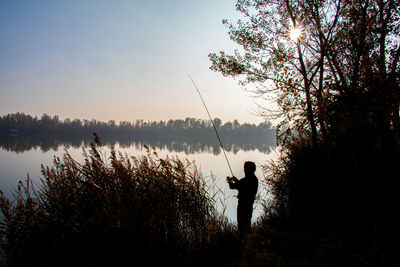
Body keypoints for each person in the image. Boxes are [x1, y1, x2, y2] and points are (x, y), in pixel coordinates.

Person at [227, 161, 258, 234]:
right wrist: (236, 180)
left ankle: (245, 241)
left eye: (245, 168)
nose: (244, 170)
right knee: (247, 223)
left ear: (248, 169)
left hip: (243, 205)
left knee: (241, 225)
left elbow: (233, 186)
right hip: (249, 204)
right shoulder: (254, 179)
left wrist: (229, 181)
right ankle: (248, 240)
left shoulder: (245, 180)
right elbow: (241, 185)